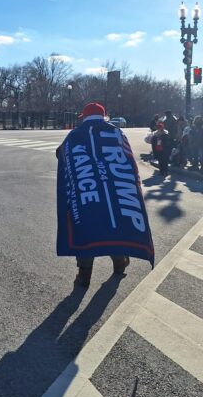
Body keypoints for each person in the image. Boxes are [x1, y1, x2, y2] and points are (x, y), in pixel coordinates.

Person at [56, 102, 154, 288]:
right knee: (112, 225)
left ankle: (84, 275)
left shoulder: (75, 135)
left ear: (84, 117)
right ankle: (119, 263)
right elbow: (128, 162)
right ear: (104, 116)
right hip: (115, 191)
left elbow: (62, 154)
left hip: (88, 191)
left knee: (87, 227)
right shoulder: (117, 132)